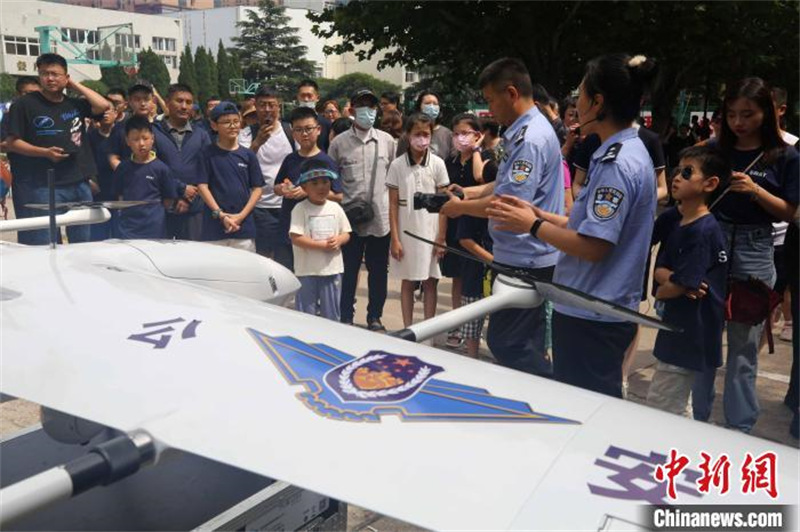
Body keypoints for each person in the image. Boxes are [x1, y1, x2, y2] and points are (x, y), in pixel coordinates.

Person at [486, 53, 658, 397]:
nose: (575, 103)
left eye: (580, 94)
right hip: (592, 309)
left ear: (598, 102)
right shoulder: (624, 151)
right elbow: (588, 224)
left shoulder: (617, 163)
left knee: (585, 409)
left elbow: (594, 247)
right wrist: (540, 215)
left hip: (591, 313)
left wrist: (532, 225)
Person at [441, 57, 564, 377]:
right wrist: (468, 193)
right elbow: (505, 183)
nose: (489, 110)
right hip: (518, 253)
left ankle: (551, 390)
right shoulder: (522, 132)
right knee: (525, 340)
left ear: (511, 93)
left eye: (490, 100)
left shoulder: (531, 138)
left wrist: (459, 209)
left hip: (527, 257)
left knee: (507, 342)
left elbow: (509, 203)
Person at [692, 77, 799, 433]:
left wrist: (755, 191)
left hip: (755, 249)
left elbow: (791, 212)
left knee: (742, 346)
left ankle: (739, 427)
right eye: (732, 114)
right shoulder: (713, 149)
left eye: (748, 114)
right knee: (704, 336)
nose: (739, 122)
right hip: (712, 241)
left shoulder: (785, 155)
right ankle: (696, 417)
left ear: (767, 113)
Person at [647, 146, 730, 417]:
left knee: (663, 405)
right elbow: (669, 277)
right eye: (676, 170)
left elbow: (673, 289)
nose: (676, 177)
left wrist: (665, 284)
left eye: (687, 172)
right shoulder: (679, 220)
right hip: (679, 330)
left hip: (688, 333)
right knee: (675, 403)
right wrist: (668, 279)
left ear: (710, 183)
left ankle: (670, 455)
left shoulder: (702, 231)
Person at [5, 53, 111, 245]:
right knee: (44, 242)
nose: (50, 78)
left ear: (66, 77)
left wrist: (74, 85)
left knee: (83, 242)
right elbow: (12, 143)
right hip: (42, 184)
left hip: (78, 182)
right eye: (44, 73)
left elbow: (103, 105)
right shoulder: (24, 104)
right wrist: (43, 152)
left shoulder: (76, 104)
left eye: (55, 74)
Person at [328, 88, 396, 330]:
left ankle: (374, 316)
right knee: (348, 270)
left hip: (381, 218)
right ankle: (345, 314)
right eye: (362, 105)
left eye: (371, 106)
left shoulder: (388, 142)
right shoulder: (339, 143)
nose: (367, 111)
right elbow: (330, 178)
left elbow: (394, 180)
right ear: (352, 109)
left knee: (379, 271)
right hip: (349, 219)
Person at [387, 113, 449, 329]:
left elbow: (444, 204)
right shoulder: (396, 165)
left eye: (426, 134)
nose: (422, 139)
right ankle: (408, 329)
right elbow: (393, 205)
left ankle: (428, 331)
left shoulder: (438, 164)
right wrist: (395, 239)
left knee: (430, 280)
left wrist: (441, 237)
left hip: (431, 229)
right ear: (407, 135)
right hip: (406, 229)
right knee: (408, 279)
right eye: (417, 134)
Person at [274, 106, 344, 271]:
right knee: (286, 274)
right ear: (293, 132)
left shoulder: (326, 161)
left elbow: (339, 195)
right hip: (289, 226)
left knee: (311, 278)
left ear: (318, 130)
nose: (304, 134)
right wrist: (283, 189)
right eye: (298, 130)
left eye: (308, 129)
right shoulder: (290, 159)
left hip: (315, 232)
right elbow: (276, 187)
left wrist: (307, 192)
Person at [443, 113, 488, 346]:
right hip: (453, 224)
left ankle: (475, 328)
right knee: (457, 277)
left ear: (478, 136)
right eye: (456, 133)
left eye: (466, 133)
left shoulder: (485, 159)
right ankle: (457, 325)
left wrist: (478, 151)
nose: (460, 138)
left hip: (476, 226)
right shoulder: (449, 162)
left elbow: (481, 179)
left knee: (476, 280)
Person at [290, 160, 352, 321]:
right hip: (307, 270)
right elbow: (296, 237)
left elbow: (346, 232)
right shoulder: (300, 209)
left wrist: (339, 240)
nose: (321, 187)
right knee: (306, 313)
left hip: (332, 269)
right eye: (314, 183)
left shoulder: (335, 208)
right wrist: (321, 245)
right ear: (304, 188)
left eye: (325, 182)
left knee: (331, 313)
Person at [197, 101, 264, 251]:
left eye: (236, 121)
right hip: (214, 228)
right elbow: (202, 186)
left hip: (244, 227)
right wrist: (220, 214)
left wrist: (241, 216)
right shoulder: (206, 154)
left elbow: (257, 189)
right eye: (226, 122)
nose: (233, 126)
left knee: (245, 271)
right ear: (214, 126)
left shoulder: (248, 155)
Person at [239, 86, 295, 260]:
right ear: (255, 105)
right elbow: (240, 165)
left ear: (279, 106)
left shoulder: (291, 131)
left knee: (287, 255)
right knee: (263, 256)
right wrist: (257, 143)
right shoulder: (246, 134)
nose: (267, 110)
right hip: (260, 207)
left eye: (272, 105)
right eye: (262, 105)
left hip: (288, 204)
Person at [155, 83, 212, 241]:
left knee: (194, 259)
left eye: (188, 102)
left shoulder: (201, 135)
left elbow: (207, 172)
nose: (184, 106)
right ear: (167, 103)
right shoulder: (154, 132)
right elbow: (152, 169)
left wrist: (189, 198)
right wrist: (178, 190)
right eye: (179, 101)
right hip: (161, 206)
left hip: (194, 208)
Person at [112, 116, 177, 239]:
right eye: (135, 139)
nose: (141, 144)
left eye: (145, 138)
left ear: (152, 139)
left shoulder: (161, 168)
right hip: (128, 226)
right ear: (127, 141)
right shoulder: (123, 167)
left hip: (154, 225)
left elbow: (168, 200)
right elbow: (119, 195)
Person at [1, 75, 40, 242]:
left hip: (50, 176)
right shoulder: (10, 116)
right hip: (24, 177)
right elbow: (2, 143)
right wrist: (24, 147)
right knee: (27, 222)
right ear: (18, 94)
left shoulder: (46, 114)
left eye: (35, 94)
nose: (30, 98)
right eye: (27, 93)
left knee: (51, 223)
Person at [108, 82, 175, 171]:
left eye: (146, 99)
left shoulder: (163, 128)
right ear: (130, 102)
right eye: (137, 99)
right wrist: (126, 174)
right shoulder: (120, 128)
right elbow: (113, 157)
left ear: (153, 101)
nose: (142, 103)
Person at [85, 97, 118, 241]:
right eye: (102, 111)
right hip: (97, 192)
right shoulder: (89, 137)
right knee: (98, 236)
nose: (105, 114)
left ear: (116, 113)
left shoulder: (123, 135)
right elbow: (83, 162)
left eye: (108, 110)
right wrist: (89, 181)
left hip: (119, 193)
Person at [396, 90, 454, 159]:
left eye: (435, 104)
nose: (432, 106)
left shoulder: (448, 134)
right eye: (427, 103)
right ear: (419, 106)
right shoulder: (407, 136)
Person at [295, 79, 332, 152]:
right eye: (303, 96)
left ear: (317, 98)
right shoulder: (288, 122)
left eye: (309, 96)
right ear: (297, 97)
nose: (306, 99)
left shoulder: (326, 124)